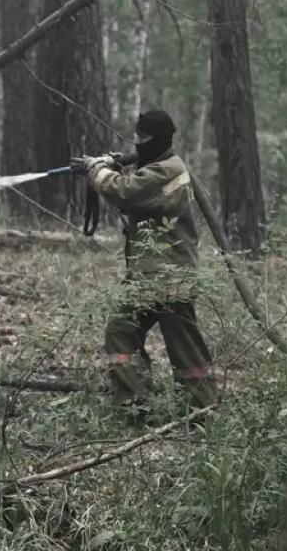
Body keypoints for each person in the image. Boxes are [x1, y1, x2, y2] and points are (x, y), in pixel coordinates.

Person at [70, 109, 219, 414]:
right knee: (123, 332)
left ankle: (200, 407)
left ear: (158, 140)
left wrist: (95, 170)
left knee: (181, 345)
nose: (136, 143)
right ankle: (136, 405)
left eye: (142, 138)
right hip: (152, 275)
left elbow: (126, 191)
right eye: (135, 137)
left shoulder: (169, 170)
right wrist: (112, 162)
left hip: (168, 276)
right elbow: (137, 176)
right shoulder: (158, 164)